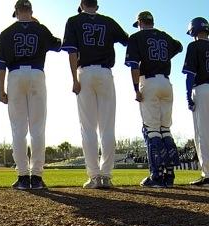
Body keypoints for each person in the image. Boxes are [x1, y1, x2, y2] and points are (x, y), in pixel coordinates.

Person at [0, 0, 61, 190]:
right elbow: (58, 45)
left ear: (16, 12)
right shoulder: (41, 29)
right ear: (31, 11)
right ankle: (37, 176)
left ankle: (23, 176)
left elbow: (0, 65)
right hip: (36, 73)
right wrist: (37, 26)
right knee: (37, 128)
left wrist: (1, 90)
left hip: (14, 76)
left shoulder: (6, 32)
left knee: (18, 130)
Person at [62, 0, 128, 189]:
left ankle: (94, 177)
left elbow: (72, 52)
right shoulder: (108, 21)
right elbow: (127, 41)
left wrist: (74, 79)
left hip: (85, 73)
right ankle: (106, 176)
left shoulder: (73, 20)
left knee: (88, 128)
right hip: (106, 73)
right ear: (97, 6)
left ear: (81, 4)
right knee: (107, 127)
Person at [125, 11, 182, 188]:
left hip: (148, 81)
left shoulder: (136, 37)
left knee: (152, 130)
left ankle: (156, 176)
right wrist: (162, 56)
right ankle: (169, 176)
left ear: (140, 22)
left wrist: (136, 89)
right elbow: (179, 46)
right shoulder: (164, 36)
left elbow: (134, 66)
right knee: (165, 129)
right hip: (166, 82)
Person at [183, 17, 209, 187]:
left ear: (193, 31)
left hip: (203, 89)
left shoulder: (194, 46)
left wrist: (188, 95)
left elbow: (190, 74)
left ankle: (207, 174)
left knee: (203, 133)